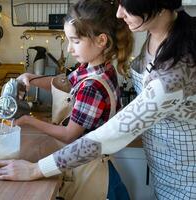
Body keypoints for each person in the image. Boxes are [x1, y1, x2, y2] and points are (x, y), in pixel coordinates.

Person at [0, 0, 196, 199]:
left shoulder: (177, 70)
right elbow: (70, 81)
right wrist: (33, 79)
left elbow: (111, 133)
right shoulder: (160, 34)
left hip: (187, 177)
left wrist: (35, 169)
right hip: (163, 168)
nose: (119, 13)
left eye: (127, 4)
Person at [8, 0, 132, 199]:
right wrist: (32, 78)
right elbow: (63, 83)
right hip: (86, 163)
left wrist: (28, 119)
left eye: (75, 41)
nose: (69, 49)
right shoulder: (93, 68)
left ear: (101, 41)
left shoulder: (92, 87)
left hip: (91, 173)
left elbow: (69, 135)